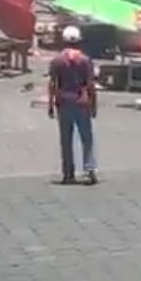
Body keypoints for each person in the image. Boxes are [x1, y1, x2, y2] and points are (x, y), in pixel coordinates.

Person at [47, 26, 98, 184]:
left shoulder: (57, 61)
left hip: (63, 102)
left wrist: (50, 104)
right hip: (81, 102)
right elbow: (90, 84)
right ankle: (89, 169)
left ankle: (68, 172)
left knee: (66, 139)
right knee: (86, 138)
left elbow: (52, 84)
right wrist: (93, 103)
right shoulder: (85, 60)